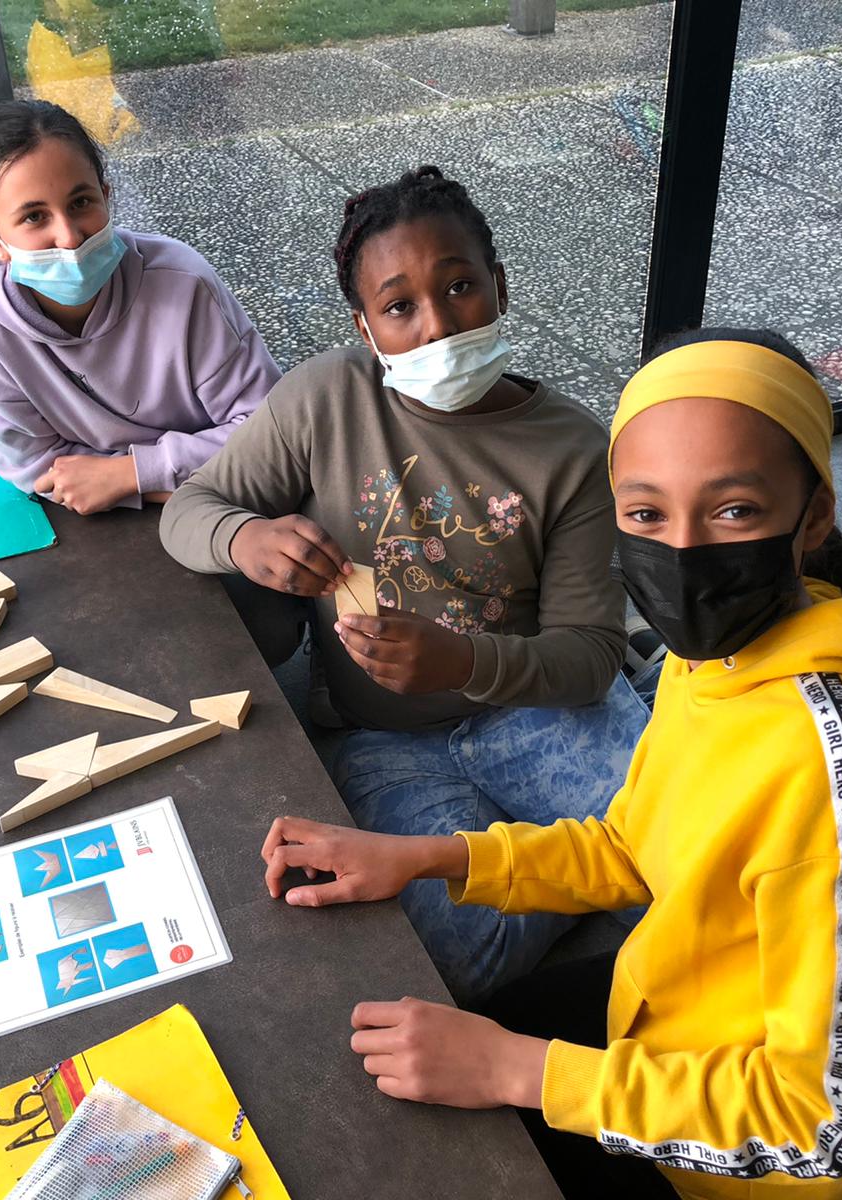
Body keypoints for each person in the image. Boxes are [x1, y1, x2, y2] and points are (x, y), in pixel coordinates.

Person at [257, 328, 842, 1199]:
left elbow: (827, 1129)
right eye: (646, 514)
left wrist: (519, 1071)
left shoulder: (838, 773)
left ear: (813, 516)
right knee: (414, 1067)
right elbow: (632, 843)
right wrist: (424, 858)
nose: (682, 553)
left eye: (734, 511)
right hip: (679, 1024)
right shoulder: (718, 656)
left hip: (763, 1171)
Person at [161, 165, 649, 1002]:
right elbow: (189, 510)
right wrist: (246, 538)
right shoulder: (325, 399)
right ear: (364, 326)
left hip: (534, 709)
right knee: (451, 955)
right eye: (399, 307)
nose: (437, 325)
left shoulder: (571, 447)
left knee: (687, 856)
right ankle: (559, 866)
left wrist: (464, 662)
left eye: (460, 287)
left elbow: (590, 655)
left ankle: (549, 855)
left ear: (499, 286)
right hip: (382, 738)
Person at [0, 99, 280, 516]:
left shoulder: (183, 283)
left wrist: (130, 475)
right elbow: (35, 466)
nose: (69, 237)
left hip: (237, 503)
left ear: (106, 197)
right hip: (183, 495)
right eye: (34, 217)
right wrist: (158, 482)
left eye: (80, 203)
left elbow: (270, 433)